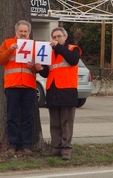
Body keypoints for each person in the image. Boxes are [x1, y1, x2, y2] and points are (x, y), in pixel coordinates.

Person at [35, 27, 82, 160]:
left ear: (65, 37)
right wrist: (40, 69)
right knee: (55, 122)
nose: (56, 39)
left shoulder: (73, 49)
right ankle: (56, 147)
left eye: (58, 36)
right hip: (53, 90)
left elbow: (73, 60)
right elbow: (47, 72)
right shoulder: (50, 52)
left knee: (67, 122)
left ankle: (66, 149)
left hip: (67, 90)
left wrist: (59, 47)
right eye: (54, 37)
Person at [0, 20, 38, 155]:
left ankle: (26, 145)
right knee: (11, 117)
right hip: (12, 85)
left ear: (29, 32)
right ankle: (12, 145)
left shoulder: (34, 46)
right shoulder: (8, 43)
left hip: (29, 86)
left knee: (28, 117)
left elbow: (41, 67)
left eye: (25, 31)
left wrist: (35, 67)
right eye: (21, 31)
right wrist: (10, 50)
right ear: (16, 32)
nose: (23, 34)